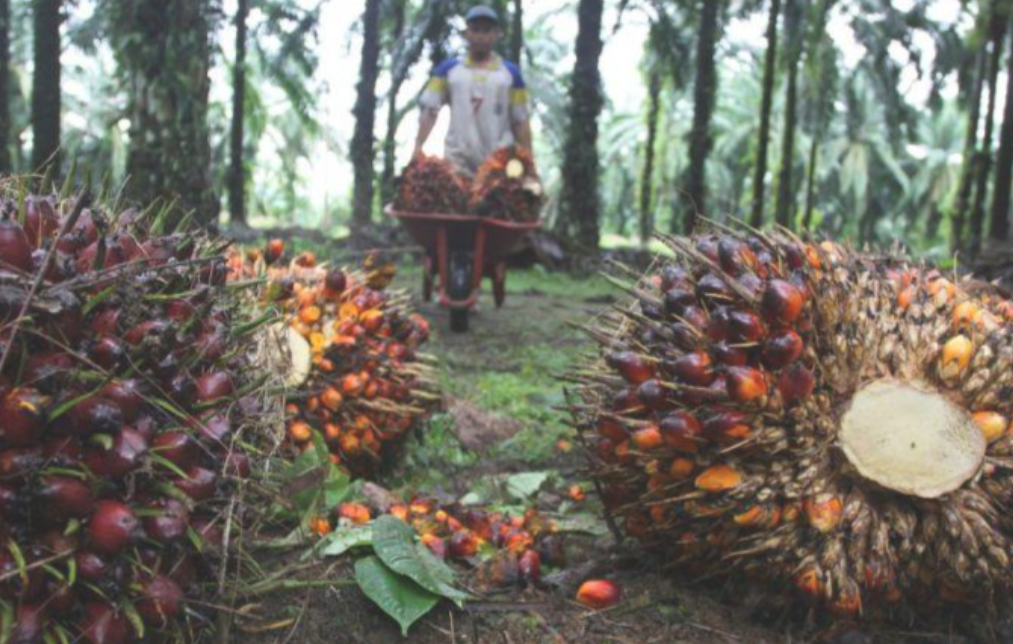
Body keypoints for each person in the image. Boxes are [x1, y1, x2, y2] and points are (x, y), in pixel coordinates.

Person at [413, 5, 534, 177]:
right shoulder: (448, 70)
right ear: (466, 33)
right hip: (457, 164)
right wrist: (417, 148)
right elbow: (430, 111)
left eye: (487, 31)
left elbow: (520, 121)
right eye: (475, 30)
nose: (481, 37)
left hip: (499, 164)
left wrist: (529, 164)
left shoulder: (511, 74)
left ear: (497, 34)